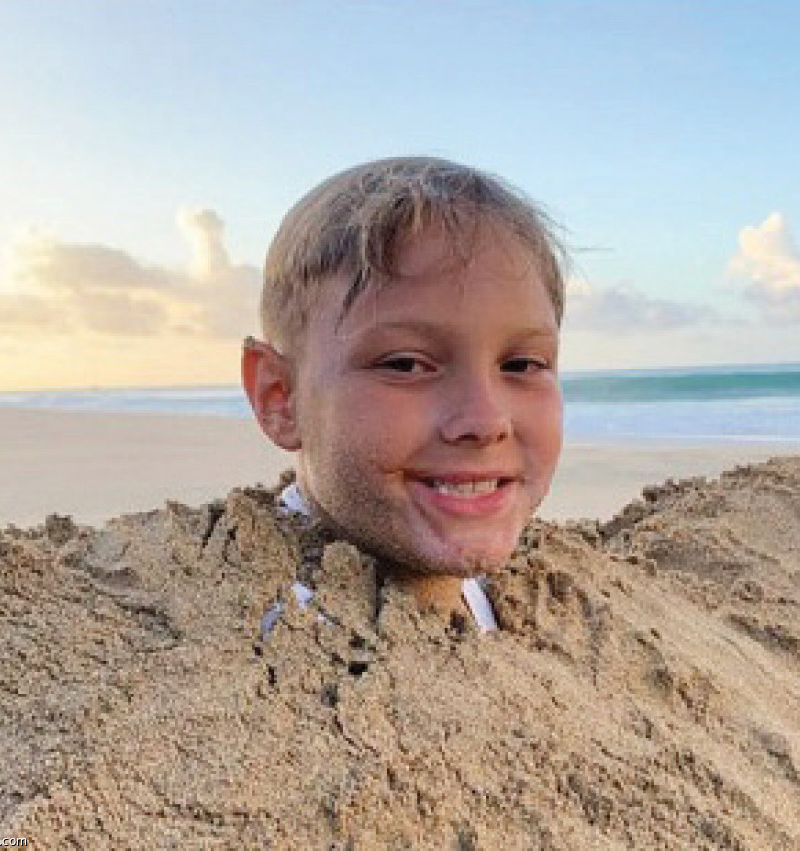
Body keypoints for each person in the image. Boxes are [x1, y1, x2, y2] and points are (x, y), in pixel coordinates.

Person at [242, 157, 565, 631]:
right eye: (405, 365)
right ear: (281, 397)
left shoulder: (534, 599)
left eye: (522, 365)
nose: (485, 421)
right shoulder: (277, 628)